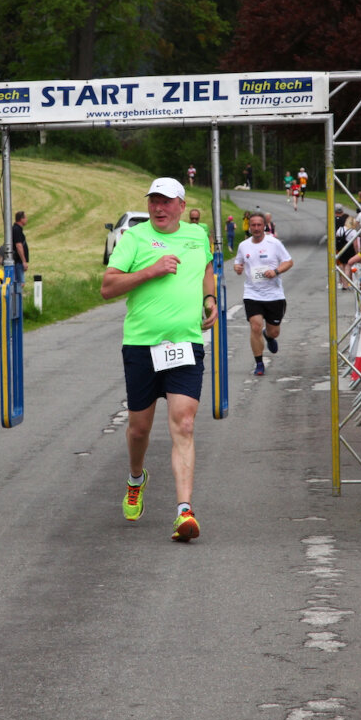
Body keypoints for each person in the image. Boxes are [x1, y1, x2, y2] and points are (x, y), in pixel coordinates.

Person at [100, 176, 216, 543]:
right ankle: (136, 478)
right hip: (141, 346)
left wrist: (210, 299)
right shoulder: (133, 238)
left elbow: (206, 269)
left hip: (185, 344)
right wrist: (152, 269)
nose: (158, 207)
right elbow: (107, 287)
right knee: (139, 429)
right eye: (153, 200)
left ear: (182, 205)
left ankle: (184, 511)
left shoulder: (198, 235)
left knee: (184, 423)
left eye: (166, 201)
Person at [233, 211, 293, 376]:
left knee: (274, 331)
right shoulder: (243, 245)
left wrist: (276, 271)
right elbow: (238, 264)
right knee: (255, 326)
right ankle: (259, 363)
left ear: (264, 226)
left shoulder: (274, 243)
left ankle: (269, 336)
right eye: (253, 225)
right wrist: (237, 268)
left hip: (274, 295)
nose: (256, 228)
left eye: (259, 225)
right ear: (249, 227)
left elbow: (289, 262)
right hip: (252, 294)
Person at [335, 215, 359, 290]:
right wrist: (357, 252)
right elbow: (355, 244)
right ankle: (347, 284)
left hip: (340, 250)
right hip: (349, 250)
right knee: (348, 266)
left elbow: (336, 239)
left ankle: (343, 284)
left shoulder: (340, 229)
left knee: (341, 267)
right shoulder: (353, 231)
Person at [12, 210, 29, 284]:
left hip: (17, 261)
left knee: (18, 283)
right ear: (21, 219)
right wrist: (23, 261)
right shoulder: (17, 230)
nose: (26, 219)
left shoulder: (16, 229)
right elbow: (19, 245)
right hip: (18, 261)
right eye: (25, 217)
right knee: (20, 283)